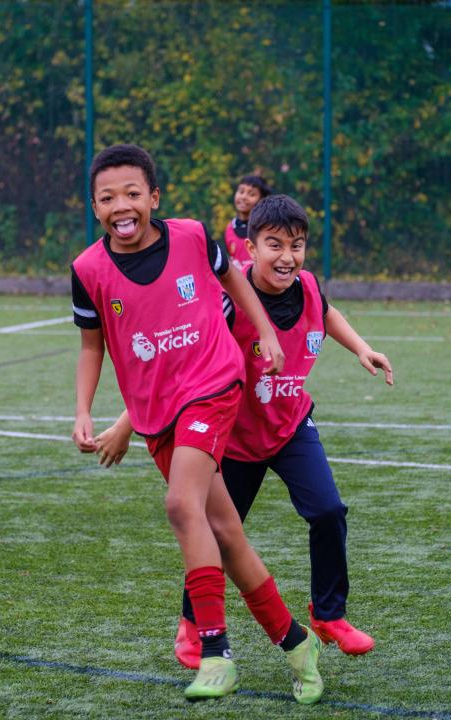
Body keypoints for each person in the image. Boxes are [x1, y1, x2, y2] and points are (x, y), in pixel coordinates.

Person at [95, 194, 394, 669]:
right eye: (274, 244)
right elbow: (179, 370)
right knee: (214, 530)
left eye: (296, 245)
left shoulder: (308, 285)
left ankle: (329, 615)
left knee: (328, 510)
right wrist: (123, 424)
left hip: (290, 424)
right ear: (249, 249)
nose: (287, 256)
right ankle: (192, 625)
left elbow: (325, 311)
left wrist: (362, 347)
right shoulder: (227, 305)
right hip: (232, 438)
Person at [70, 144, 323, 704]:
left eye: (132, 193)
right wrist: (84, 409)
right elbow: (92, 346)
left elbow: (235, 282)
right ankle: (296, 643)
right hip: (157, 411)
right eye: (108, 198)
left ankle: (215, 653)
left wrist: (264, 332)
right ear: (94, 207)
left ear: (154, 198)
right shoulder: (87, 270)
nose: (121, 206)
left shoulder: (190, 237)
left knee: (181, 506)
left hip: (212, 385)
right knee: (225, 532)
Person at [223, 174, 271, 268]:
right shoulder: (230, 228)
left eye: (251, 194)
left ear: (261, 200)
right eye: (241, 191)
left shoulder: (266, 228)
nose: (244, 197)